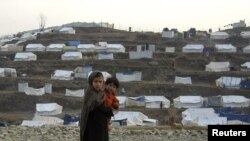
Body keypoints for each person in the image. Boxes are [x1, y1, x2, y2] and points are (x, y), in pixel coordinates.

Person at [80, 71, 113, 141]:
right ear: (91, 82)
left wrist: (108, 122)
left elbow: (108, 109)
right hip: (92, 126)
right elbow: (99, 107)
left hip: (102, 125)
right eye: (95, 81)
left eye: (100, 82)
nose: (98, 84)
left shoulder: (103, 94)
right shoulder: (89, 93)